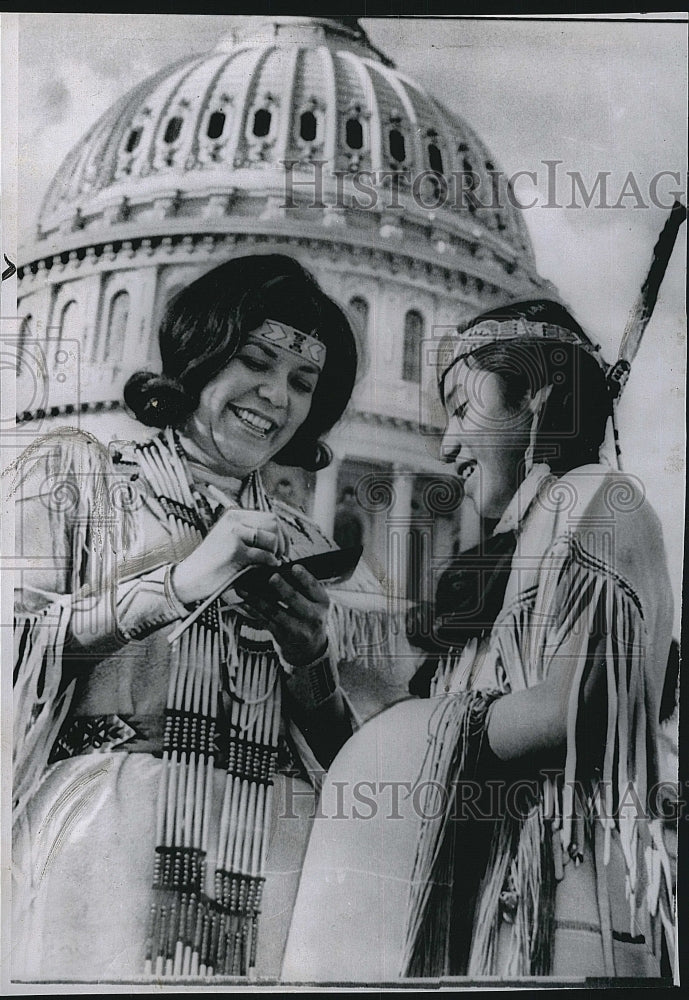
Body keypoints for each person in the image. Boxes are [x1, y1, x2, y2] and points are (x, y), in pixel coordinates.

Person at [10, 253, 389, 981]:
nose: (275, 397)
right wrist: (176, 585)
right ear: (199, 353)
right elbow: (13, 650)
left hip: (277, 864)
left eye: (302, 382)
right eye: (255, 361)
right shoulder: (77, 478)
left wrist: (311, 660)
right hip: (105, 841)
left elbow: (370, 769)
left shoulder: (321, 558)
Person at [282, 299, 676, 981]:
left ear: (538, 400)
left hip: (559, 905)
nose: (446, 445)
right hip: (467, 895)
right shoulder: (502, 558)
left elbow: (581, 706)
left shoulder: (600, 501)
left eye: (463, 410)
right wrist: (316, 659)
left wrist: (408, 733)